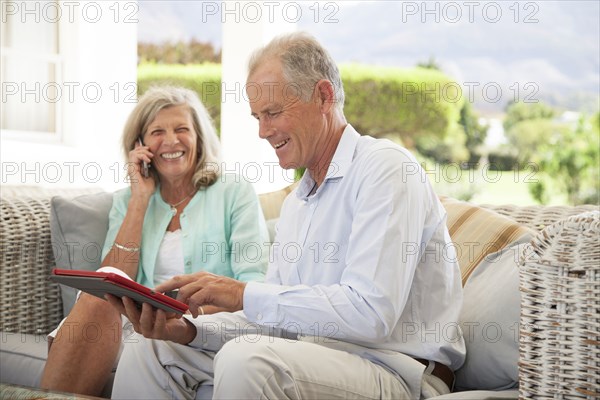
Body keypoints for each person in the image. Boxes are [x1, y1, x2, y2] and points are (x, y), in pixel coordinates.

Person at [108, 32, 466, 399]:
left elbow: (371, 314)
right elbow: (276, 324)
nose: (263, 132)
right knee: (147, 349)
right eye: (257, 117)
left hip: (395, 368)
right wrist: (186, 330)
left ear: (323, 97)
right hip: (312, 357)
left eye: (274, 113)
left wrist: (243, 293)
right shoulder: (300, 200)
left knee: (248, 359)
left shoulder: (385, 169)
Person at [40, 86, 268, 396]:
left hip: (206, 325)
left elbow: (253, 283)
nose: (171, 141)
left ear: (199, 138)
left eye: (182, 129)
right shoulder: (129, 200)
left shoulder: (233, 191)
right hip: (137, 322)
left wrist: (187, 316)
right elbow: (112, 280)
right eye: (157, 131)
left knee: (144, 334)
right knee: (98, 297)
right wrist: (140, 199)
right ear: (140, 144)